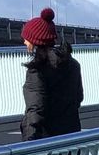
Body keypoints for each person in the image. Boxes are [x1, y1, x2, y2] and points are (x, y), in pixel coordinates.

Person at [21, 8, 83, 141]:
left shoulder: (37, 70)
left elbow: (35, 110)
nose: (24, 42)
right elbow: (78, 99)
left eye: (26, 39)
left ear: (35, 41)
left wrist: (27, 144)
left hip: (46, 140)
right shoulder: (73, 64)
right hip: (71, 136)